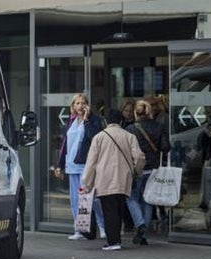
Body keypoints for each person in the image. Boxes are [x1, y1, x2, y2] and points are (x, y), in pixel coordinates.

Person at [81, 108, 146, 250]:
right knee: (119, 210)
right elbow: (140, 157)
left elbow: (91, 162)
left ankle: (113, 242)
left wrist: (87, 183)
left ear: (106, 121)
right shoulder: (129, 136)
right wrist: (136, 171)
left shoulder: (99, 137)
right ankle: (116, 239)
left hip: (104, 180)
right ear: (121, 121)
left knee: (109, 211)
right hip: (123, 180)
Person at [55, 93, 106, 240]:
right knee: (75, 199)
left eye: (83, 103)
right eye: (77, 103)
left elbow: (94, 138)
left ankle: (102, 226)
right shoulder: (70, 121)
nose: (80, 106)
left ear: (87, 105)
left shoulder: (93, 119)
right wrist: (60, 165)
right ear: (73, 106)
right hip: (71, 164)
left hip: (86, 164)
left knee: (91, 198)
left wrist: (87, 120)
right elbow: (65, 144)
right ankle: (79, 229)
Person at [126, 99, 170, 245]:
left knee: (131, 198)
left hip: (137, 169)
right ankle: (143, 235)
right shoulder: (159, 126)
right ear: (149, 111)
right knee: (148, 200)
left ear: (136, 113)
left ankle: (140, 224)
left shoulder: (131, 128)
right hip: (153, 169)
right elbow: (165, 147)